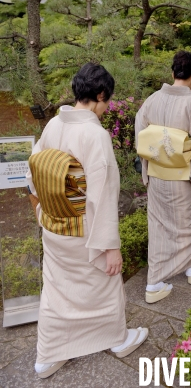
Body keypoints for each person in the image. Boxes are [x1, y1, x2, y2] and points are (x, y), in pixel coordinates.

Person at [26, 63, 148, 379]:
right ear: (99, 94)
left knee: (56, 292)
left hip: (53, 226)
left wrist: (40, 211)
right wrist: (111, 248)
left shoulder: (54, 124)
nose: (107, 108)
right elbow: (103, 197)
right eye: (107, 101)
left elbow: (33, 174)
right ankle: (117, 339)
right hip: (83, 231)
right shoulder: (94, 134)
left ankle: (48, 355)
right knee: (106, 286)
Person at [135, 51, 191, 303]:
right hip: (183, 177)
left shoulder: (151, 100)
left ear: (173, 74)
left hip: (157, 176)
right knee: (189, 225)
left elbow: (141, 136)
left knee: (160, 228)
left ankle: (158, 280)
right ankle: (188, 270)